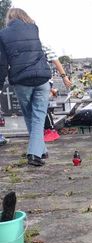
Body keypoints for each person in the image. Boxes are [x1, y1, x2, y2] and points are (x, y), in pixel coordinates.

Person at [0, 8, 52, 166]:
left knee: (30, 115)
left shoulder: (3, 34)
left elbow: (2, 63)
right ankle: (40, 150)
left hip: (21, 80)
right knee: (37, 116)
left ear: (9, 18)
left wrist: (0, 83)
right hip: (42, 78)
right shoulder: (34, 28)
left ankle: (34, 154)